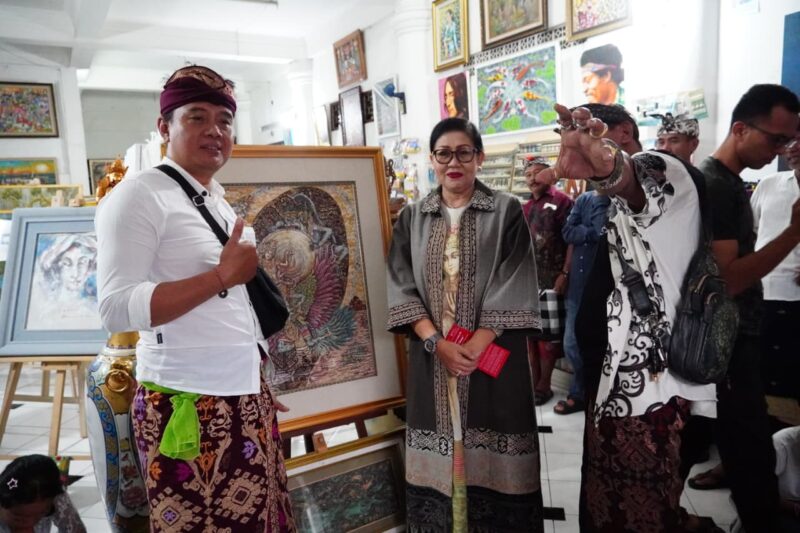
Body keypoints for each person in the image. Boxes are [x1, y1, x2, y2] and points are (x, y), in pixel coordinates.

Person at [95, 65, 295, 532]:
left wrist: (253, 377)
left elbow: (229, 311)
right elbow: (115, 307)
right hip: (188, 403)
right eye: (197, 117)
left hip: (242, 393)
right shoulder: (138, 197)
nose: (215, 131)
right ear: (165, 127)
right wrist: (221, 276)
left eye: (224, 120)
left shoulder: (212, 198)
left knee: (261, 520)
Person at [553, 102, 718, 532]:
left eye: (598, 133)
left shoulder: (667, 170)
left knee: (641, 507)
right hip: (615, 379)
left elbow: (632, 177)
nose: (586, 143)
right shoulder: (611, 201)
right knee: (605, 499)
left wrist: (608, 167)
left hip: (650, 387)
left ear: (624, 132)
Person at [387, 117, 543, 532]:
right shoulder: (412, 218)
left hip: (491, 355)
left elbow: (516, 276)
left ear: (479, 157)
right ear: (432, 160)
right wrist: (436, 342)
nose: (453, 162)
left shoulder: (506, 210)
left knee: (493, 434)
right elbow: (400, 283)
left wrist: (477, 344)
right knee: (441, 438)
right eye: (443, 154)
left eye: (463, 152)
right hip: (433, 355)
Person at [685, 84, 800, 533]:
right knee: (748, 447)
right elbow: (729, 279)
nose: (781, 150)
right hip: (725, 339)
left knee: (740, 444)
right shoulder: (716, 185)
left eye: (788, 141)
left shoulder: (729, 183)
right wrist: (793, 233)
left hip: (730, 336)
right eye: (776, 139)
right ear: (739, 129)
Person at [751, 130, 800, 402]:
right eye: (790, 141)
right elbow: (751, 233)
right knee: (766, 373)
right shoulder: (769, 185)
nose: (793, 148)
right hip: (766, 292)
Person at [521, 157, 573, 406]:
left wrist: (565, 273)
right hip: (529, 281)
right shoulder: (526, 207)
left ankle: (545, 385)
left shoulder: (563, 201)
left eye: (538, 172)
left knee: (549, 337)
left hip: (552, 279)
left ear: (551, 175)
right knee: (530, 335)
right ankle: (533, 382)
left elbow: (571, 241)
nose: (533, 178)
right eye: (528, 174)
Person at [558, 188, 609, 415]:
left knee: (597, 344)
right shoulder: (584, 199)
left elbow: (601, 232)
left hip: (603, 286)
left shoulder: (616, 199)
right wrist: (589, 233)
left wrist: (585, 231)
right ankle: (583, 391)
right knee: (571, 344)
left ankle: (585, 394)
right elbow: (567, 232)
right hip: (578, 285)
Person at [27, 234, 100, 330]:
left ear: (90, 266)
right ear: (57, 267)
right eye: (67, 264)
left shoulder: (95, 307)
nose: (75, 273)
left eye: (82, 263)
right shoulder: (43, 307)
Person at [0, 454, 85, 533]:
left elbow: (76, 530)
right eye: (19, 518)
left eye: (42, 514)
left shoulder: (52, 493)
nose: (30, 525)